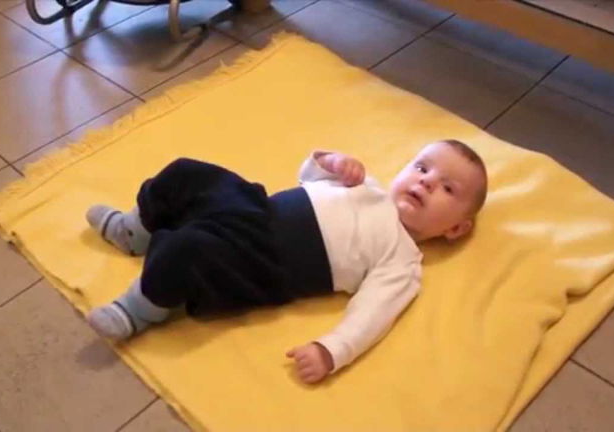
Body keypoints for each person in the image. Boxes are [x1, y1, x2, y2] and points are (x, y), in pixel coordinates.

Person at [85, 140, 488, 384]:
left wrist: (332, 350)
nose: (426, 181)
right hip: (256, 207)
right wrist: (330, 162)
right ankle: (135, 229)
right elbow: (307, 178)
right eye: (421, 168)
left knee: (190, 248)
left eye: (447, 188)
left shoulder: (402, 261)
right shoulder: (368, 186)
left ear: (456, 229)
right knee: (187, 172)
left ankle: (138, 309)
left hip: (268, 262)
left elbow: (373, 315)